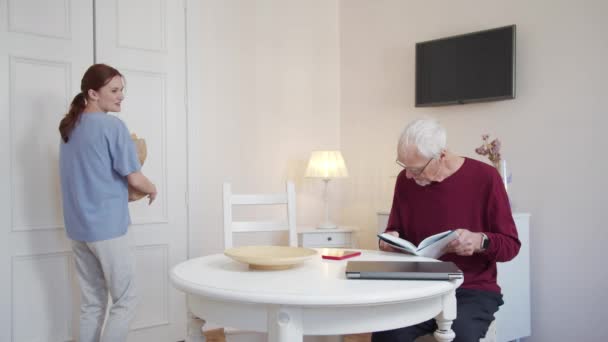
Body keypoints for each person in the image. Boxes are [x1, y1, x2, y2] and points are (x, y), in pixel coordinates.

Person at [373, 118, 520, 342]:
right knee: (386, 335)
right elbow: (395, 228)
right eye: (404, 167)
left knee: (459, 336)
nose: (409, 176)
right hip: (417, 287)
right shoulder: (406, 181)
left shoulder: (486, 178)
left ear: (441, 156)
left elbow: (511, 246)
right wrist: (390, 239)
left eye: (415, 169)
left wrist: (480, 241)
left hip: (470, 290)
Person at [58, 64, 157, 342]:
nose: (121, 95)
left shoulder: (70, 129)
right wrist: (152, 188)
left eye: (122, 90)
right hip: (109, 229)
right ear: (92, 93)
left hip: (78, 230)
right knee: (126, 301)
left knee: (92, 303)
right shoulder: (112, 126)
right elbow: (134, 178)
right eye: (114, 90)